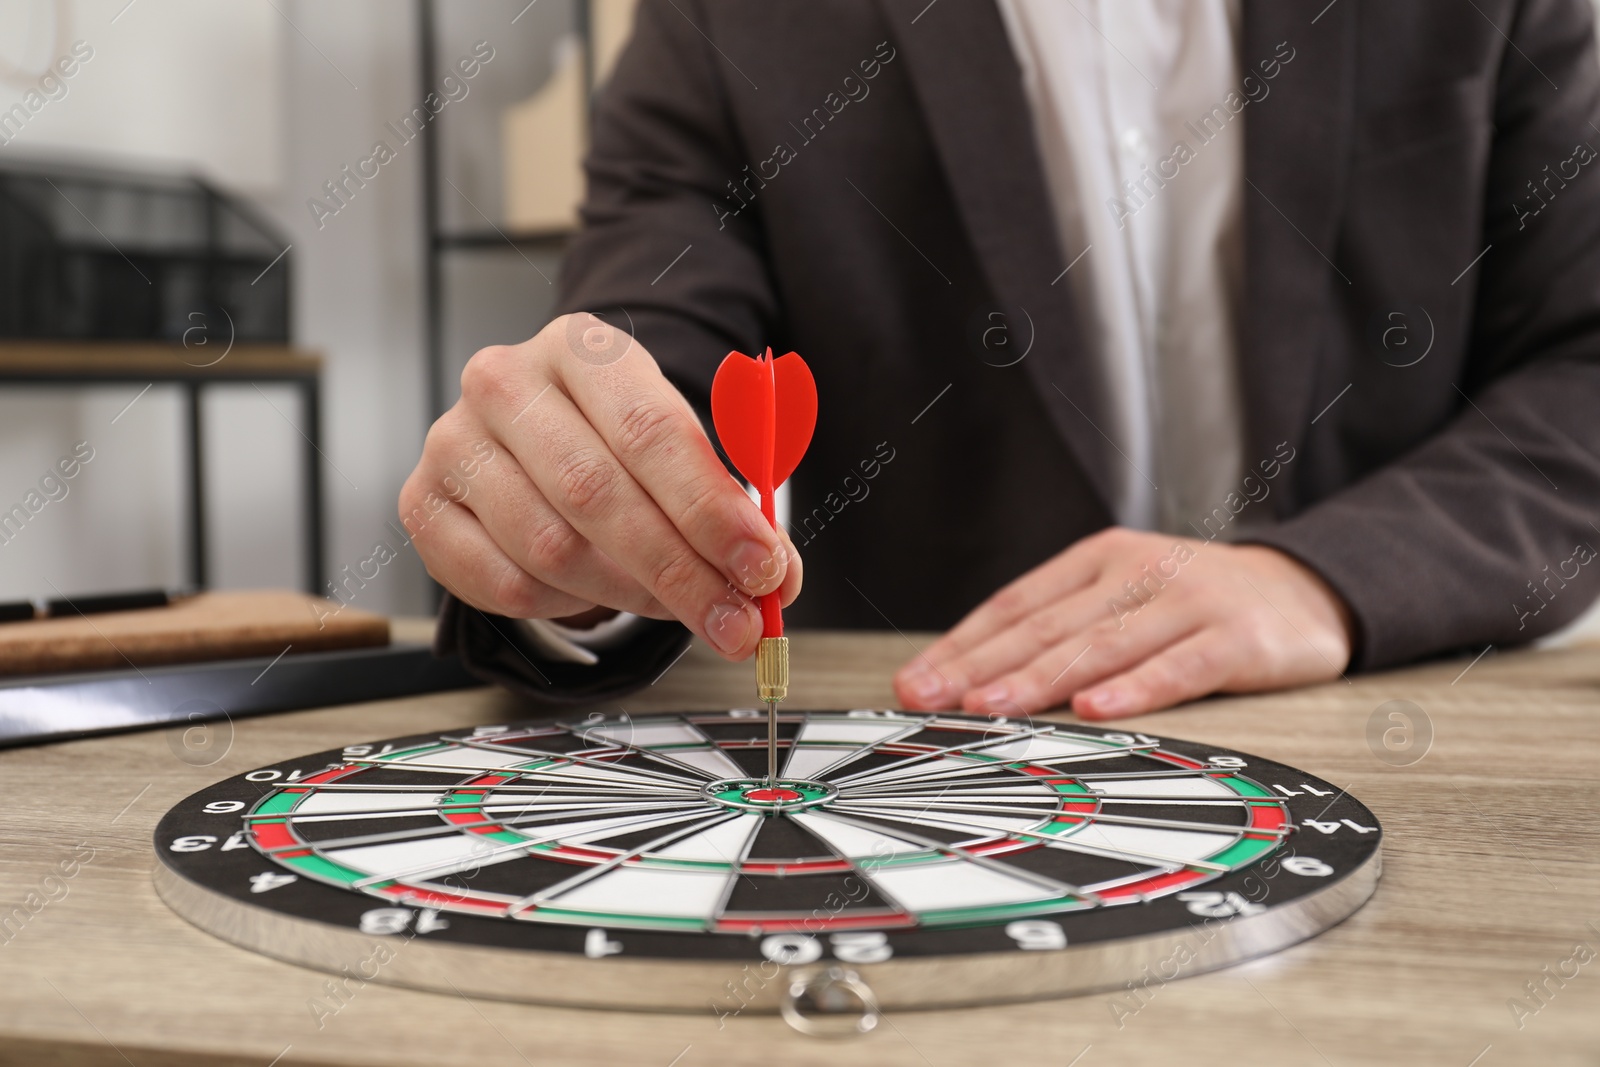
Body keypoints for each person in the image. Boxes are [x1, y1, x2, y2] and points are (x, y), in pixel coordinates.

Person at [401, 0, 1600, 720]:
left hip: (1409, 729)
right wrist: (583, 515)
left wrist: (1327, 576)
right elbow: (649, 341)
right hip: (936, 780)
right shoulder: (728, 17)